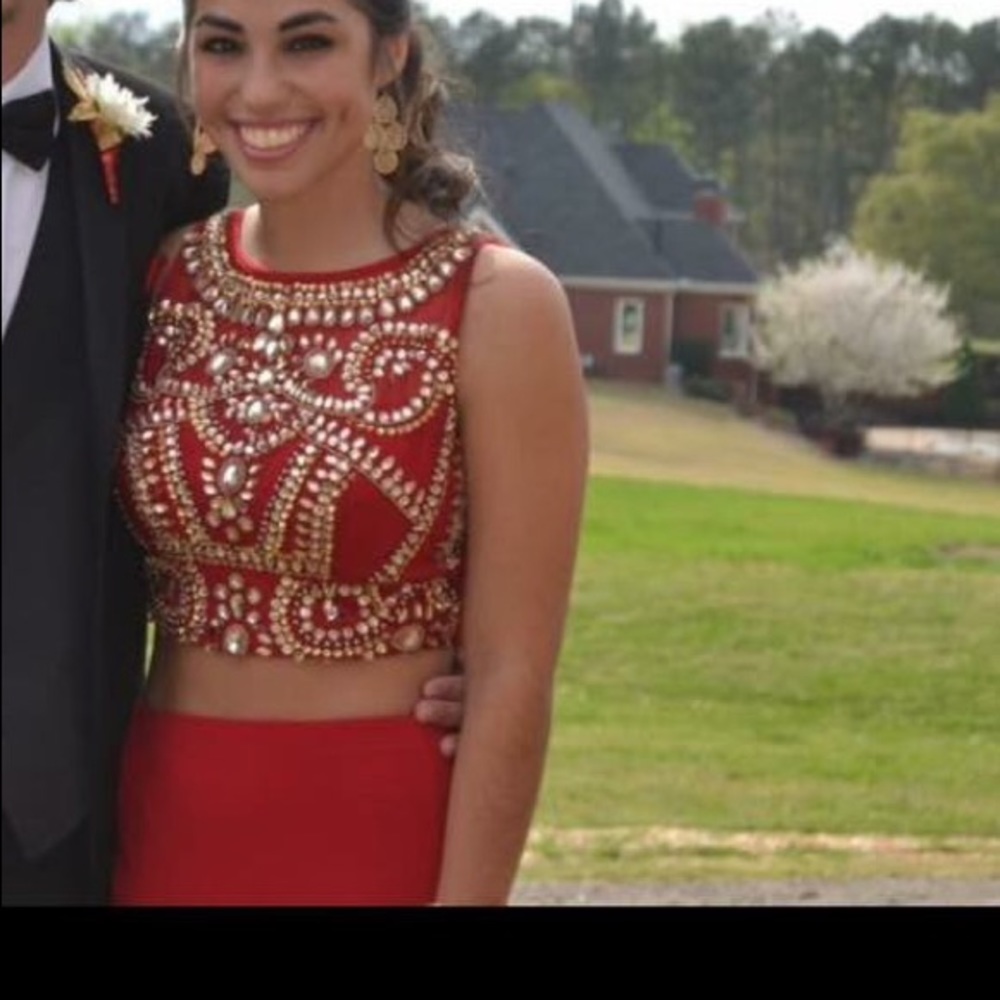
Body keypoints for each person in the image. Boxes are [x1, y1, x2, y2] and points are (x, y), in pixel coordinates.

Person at [111, 0, 589, 906]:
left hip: (375, 831)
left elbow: (510, 675)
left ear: (389, 57)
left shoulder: (499, 306)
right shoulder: (164, 273)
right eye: (222, 45)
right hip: (155, 824)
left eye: (308, 41)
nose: (259, 88)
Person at [0, 0, 464, 908]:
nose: (260, 81)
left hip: (57, 831)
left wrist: (467, 658)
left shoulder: (154, 155)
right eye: (224, 44)